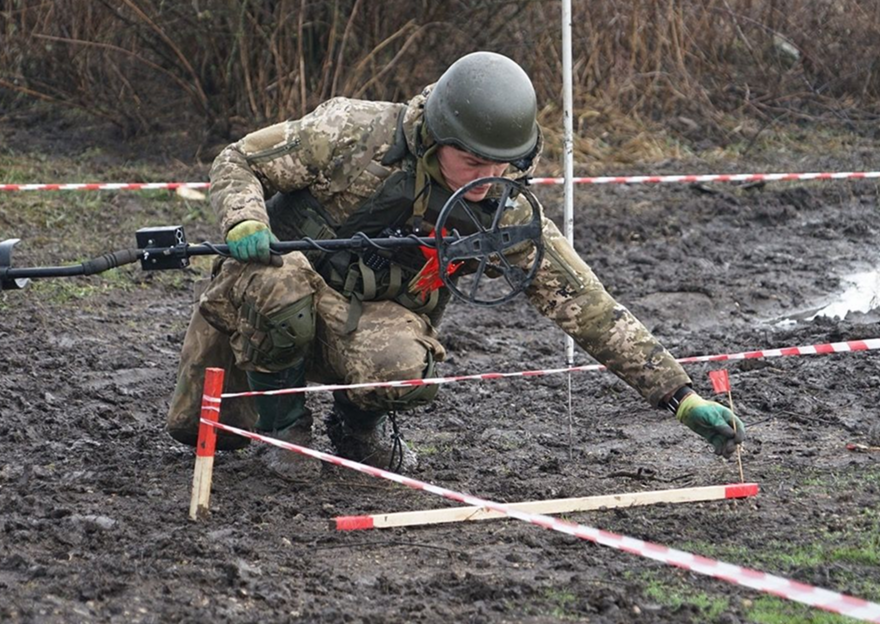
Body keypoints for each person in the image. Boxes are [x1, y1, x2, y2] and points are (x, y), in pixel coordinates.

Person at [165, 51, 745, 476]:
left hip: (361, 323)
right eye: (471, 161)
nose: (488, 180)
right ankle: (282, 432)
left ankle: (357, 430)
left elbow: (588, 307)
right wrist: (245, 220)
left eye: (503, 166)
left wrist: (680, 397)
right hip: (267, 308)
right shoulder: (350, 135)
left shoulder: (503, 209)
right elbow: (240, 159)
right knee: (268, 304)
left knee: (403, 364)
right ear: (435, 136)